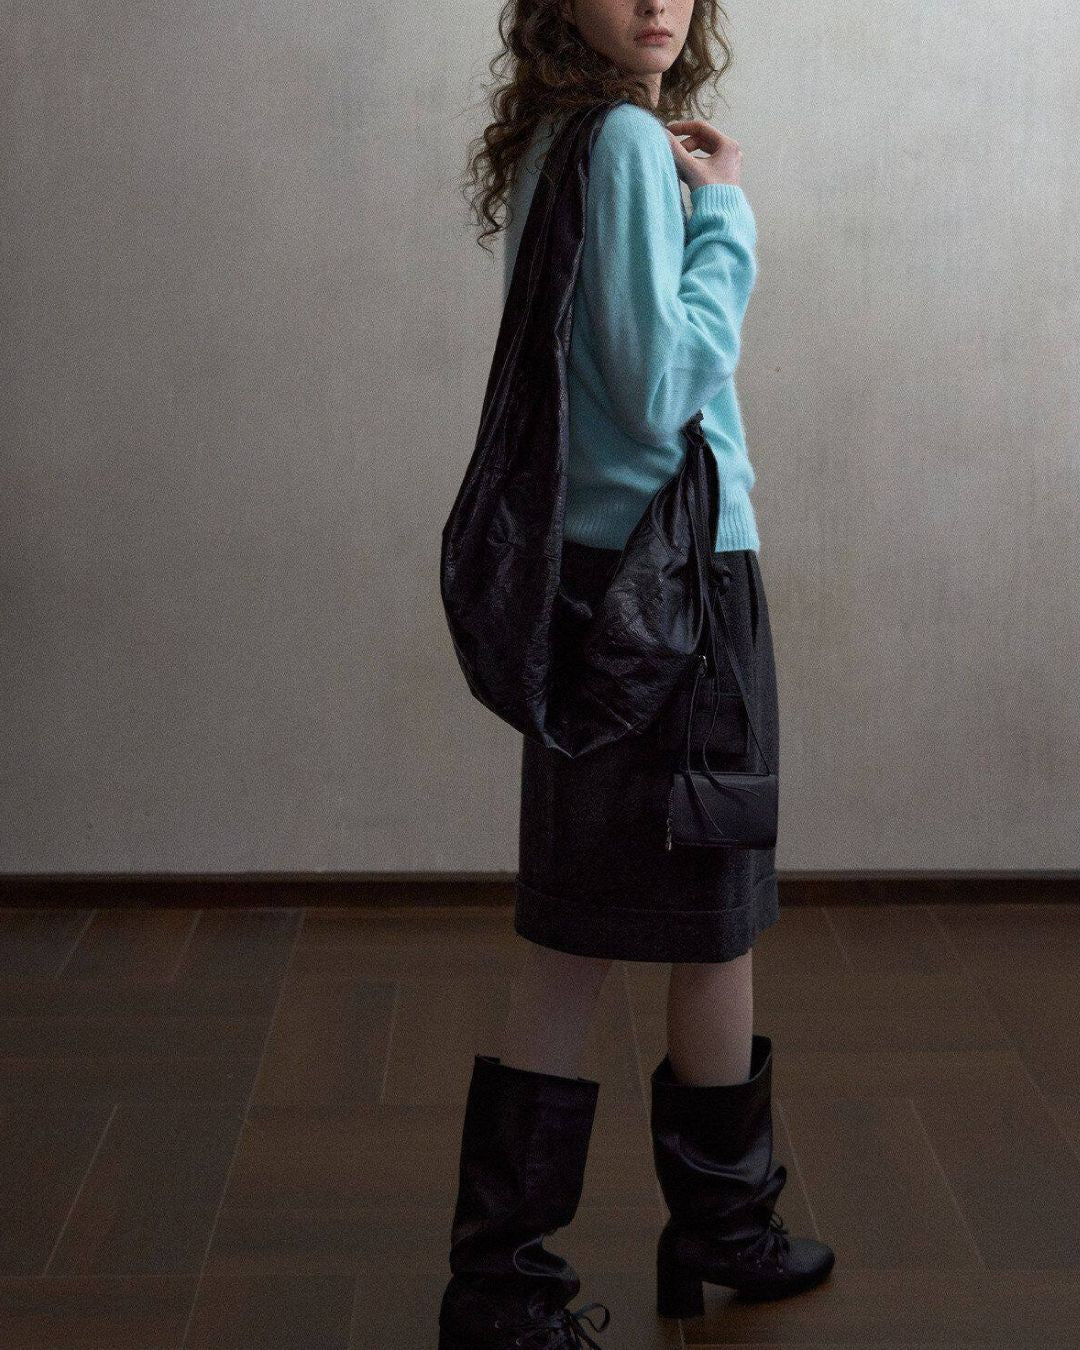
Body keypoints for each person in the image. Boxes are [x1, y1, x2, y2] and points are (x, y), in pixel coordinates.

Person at [439, 3, 835, 1346]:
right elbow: (663, 387)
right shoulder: (617, 142)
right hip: (677, 588)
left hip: (600, 579)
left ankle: (516, 1276)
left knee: (588, 926)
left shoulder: (565, 138)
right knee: (702, 912)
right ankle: (707, 1229)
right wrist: (727, 217)